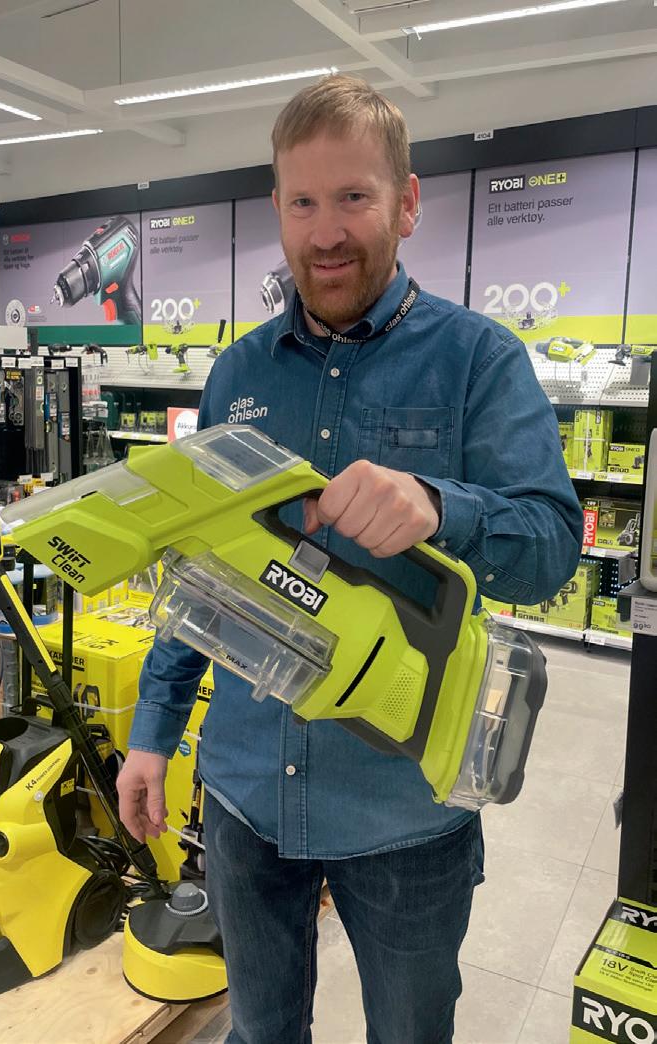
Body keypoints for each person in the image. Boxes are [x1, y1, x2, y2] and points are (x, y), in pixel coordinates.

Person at [118, 75, 583, 1044]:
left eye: (354, 197)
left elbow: (549, 546)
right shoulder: (237, 374)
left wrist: (440, 509)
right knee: (259, 1033)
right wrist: (153, 731)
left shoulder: (478, 360)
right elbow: (203, 572)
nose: (326, 232)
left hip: (402, 813)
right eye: (303, 202)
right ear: (277, 208)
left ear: (406, 203)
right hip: (245, 796)